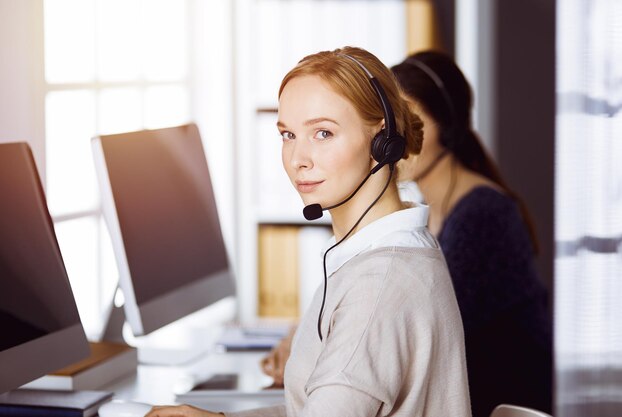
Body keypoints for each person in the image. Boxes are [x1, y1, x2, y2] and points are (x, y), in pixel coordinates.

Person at [146, 46, 471, 417]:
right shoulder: (380, 253)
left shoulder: (380, 284)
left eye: (322, 133)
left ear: (383, 141)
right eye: (288, 135)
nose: (299, 158)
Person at [391, 50, 553, 417]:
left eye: (414, 124)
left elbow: (425, 329)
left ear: (447, 128)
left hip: (497, 403)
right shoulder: (433, 212)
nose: (399, 140)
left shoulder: (482, 212)